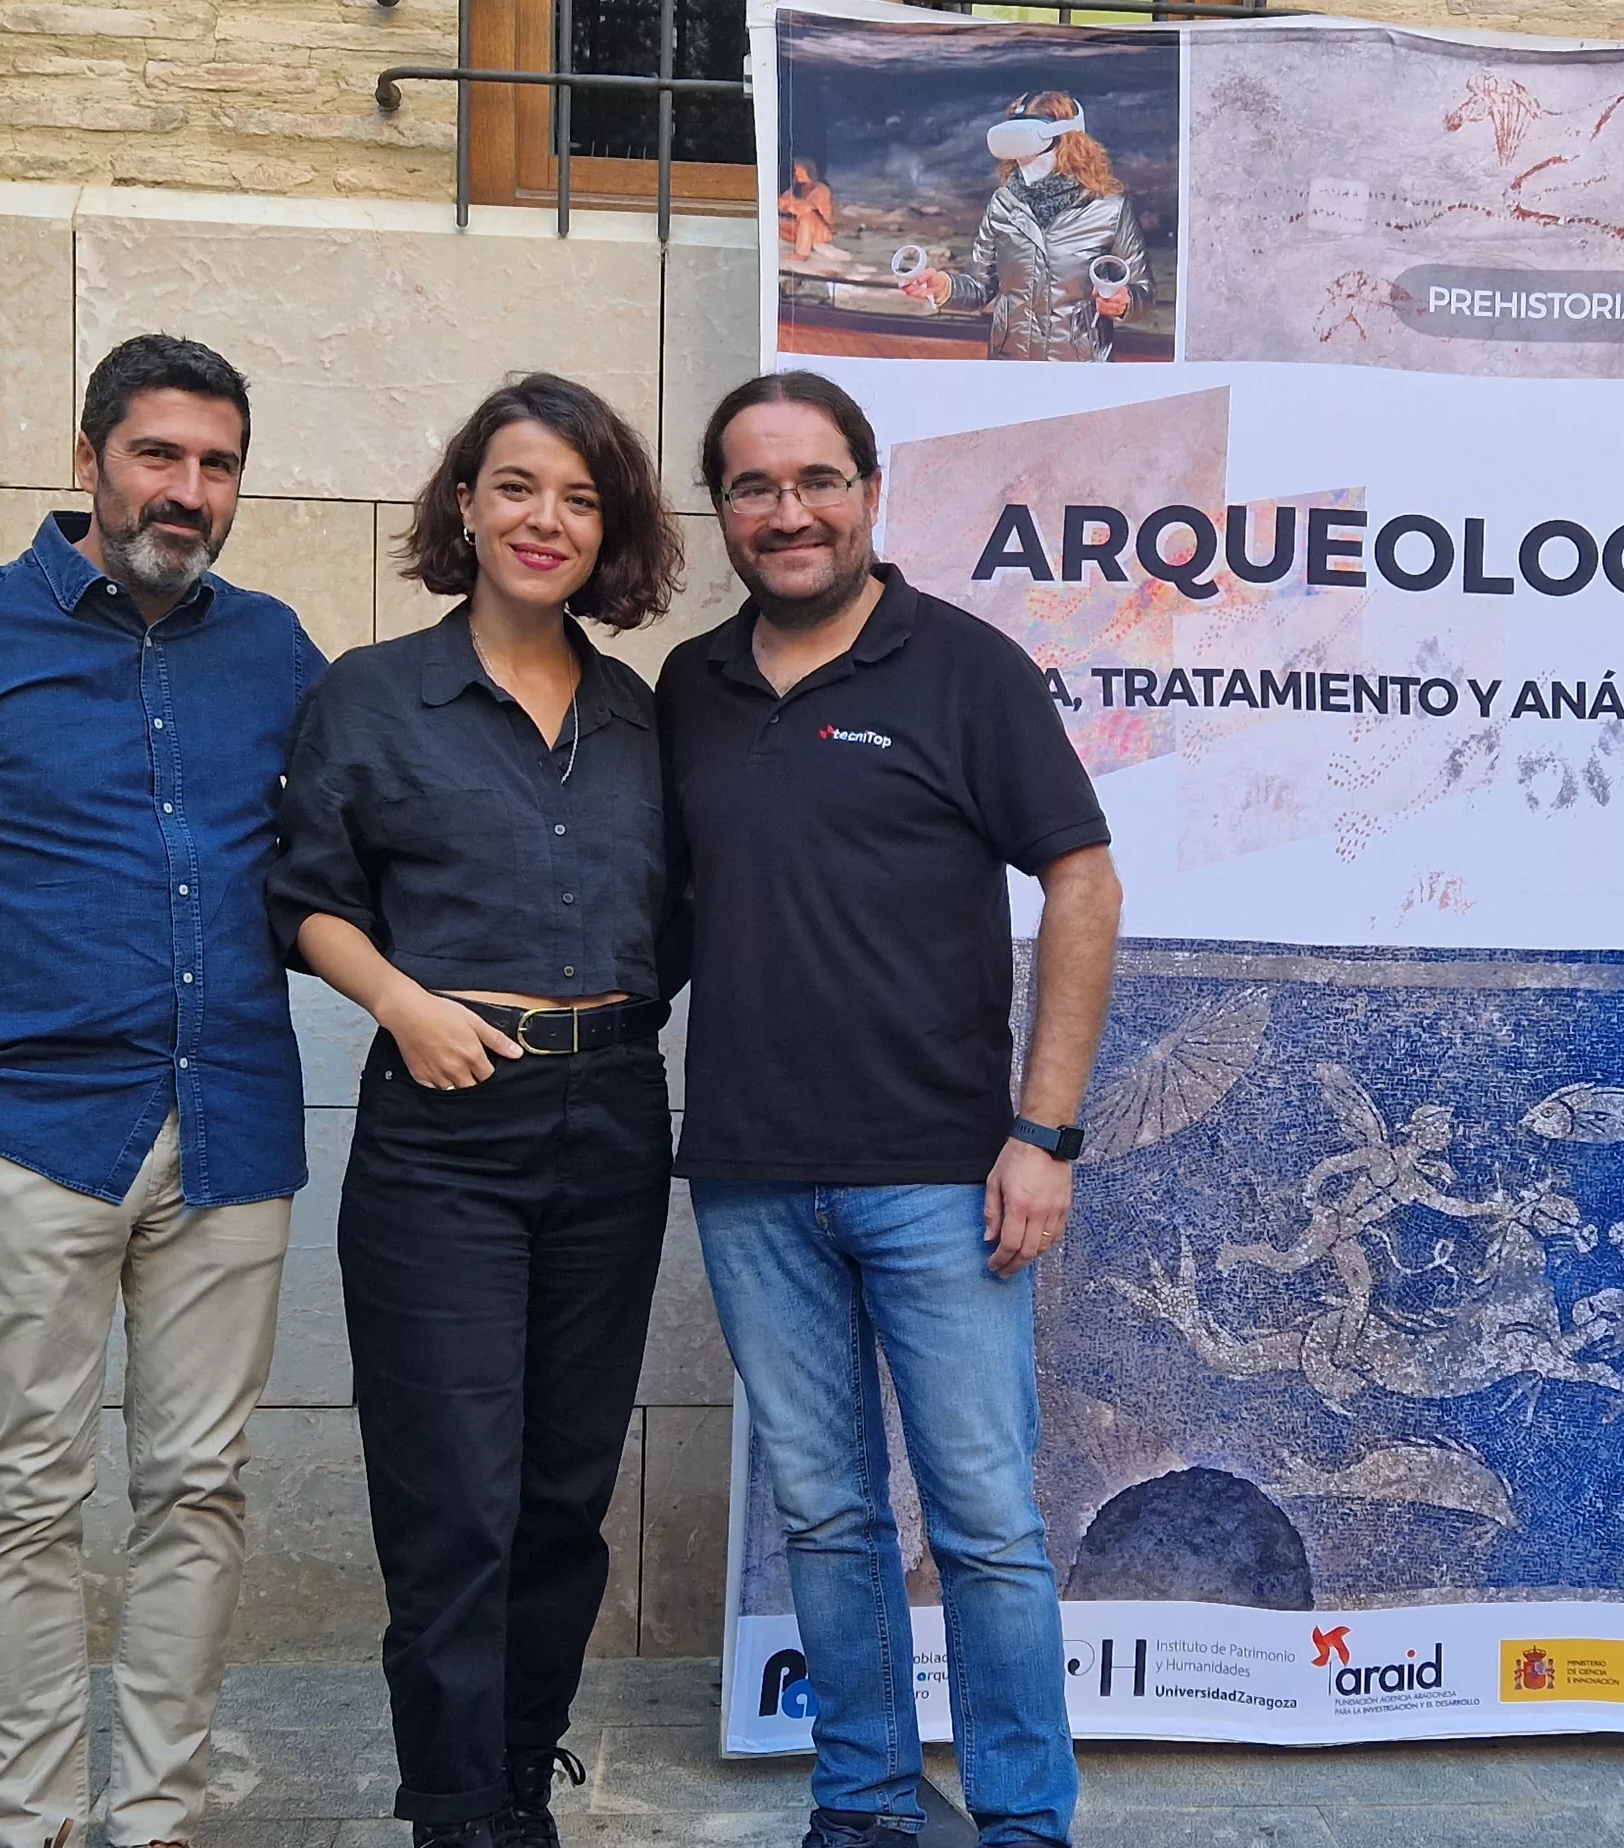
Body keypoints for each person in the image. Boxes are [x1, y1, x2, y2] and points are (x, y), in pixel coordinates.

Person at [0, 334, 323, 1848]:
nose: (189, 491)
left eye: (218, 462)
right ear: (90, 458)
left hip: (232, 1131)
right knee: (29, 1497)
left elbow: (343, 862)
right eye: (159, 455)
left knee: (199, 1491)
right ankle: (30, 1822)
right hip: (34, 1137)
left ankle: (156, 1813)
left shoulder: (278, 651)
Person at [661, 370, 1124, 1848]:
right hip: (748, 1178)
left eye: (816, 480)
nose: (787, 512)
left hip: (941, 1177)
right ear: (723, 509)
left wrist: (1041, 1131)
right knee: (829, 1518)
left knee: (987, 1529)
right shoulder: (691, 689)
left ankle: (1020, 1825)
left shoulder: (966, 668)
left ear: (869, 490)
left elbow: (1083, 879)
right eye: (753, 486)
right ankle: (861, 1806)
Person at [270, 374, 684, 1848]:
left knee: (564, 1494)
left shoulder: (644, 719)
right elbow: (306, 896)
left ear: (609, 531)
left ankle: (520, 1774)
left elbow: (677, 926)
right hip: (444, 1130)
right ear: (464, 502)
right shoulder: (371, 695)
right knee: (456, 1499)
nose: (545, 519)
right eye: (518, 486)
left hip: (615, 1122)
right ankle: (453, 1810)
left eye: (579, 498)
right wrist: (404, 1003)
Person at [898, 91, 1149, 361]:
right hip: (1010, 364)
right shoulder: (1003, 204)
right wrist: (945, 287)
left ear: (1066, 138)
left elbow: (1143, 290)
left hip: (1080, 367)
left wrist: (1125, 303)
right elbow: (981, 286)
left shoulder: (1108, 209)